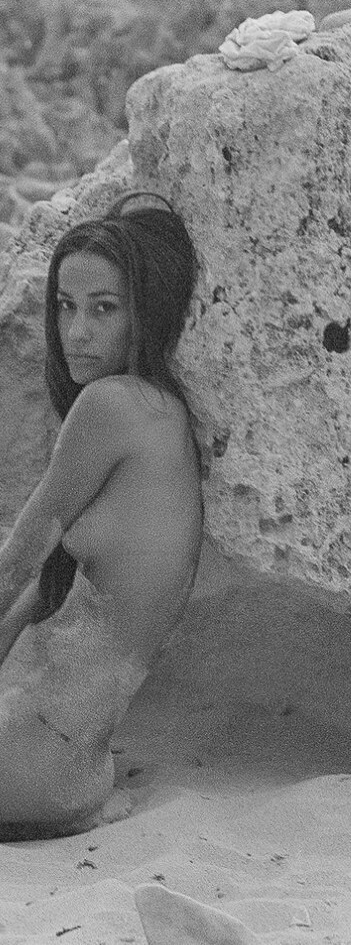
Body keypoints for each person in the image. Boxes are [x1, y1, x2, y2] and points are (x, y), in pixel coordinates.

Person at [0, 192, 202, 838]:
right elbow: (34, 596)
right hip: (74, 775)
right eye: (65, 305)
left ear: (146, 314)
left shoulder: (112, 406)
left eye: (103, 308)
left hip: (25, 758)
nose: (77, 331)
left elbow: (15, 563)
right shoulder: (164, 415)